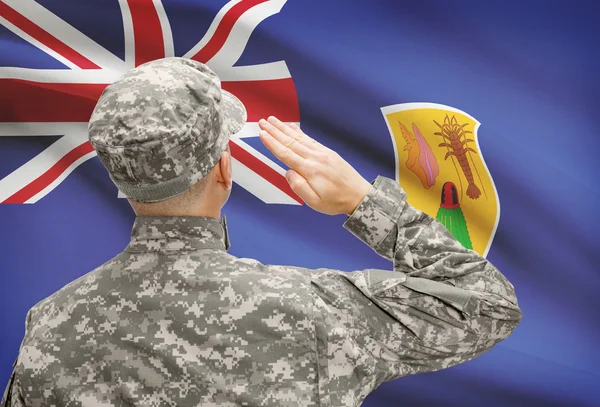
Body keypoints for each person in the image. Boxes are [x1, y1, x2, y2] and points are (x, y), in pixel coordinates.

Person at [1, 57, 522, 407]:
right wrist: (365, 203)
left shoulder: (50, 325)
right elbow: (487, 305)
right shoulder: (317, 311)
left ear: (120, 174)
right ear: (224, 170)